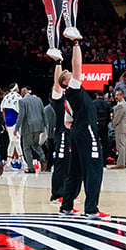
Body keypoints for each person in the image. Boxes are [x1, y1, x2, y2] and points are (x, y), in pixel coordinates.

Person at [58, 42, 109, 220]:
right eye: (70, 75)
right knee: (94, 169)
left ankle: (66, 207)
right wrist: (76, 44)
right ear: (66, 81)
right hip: (86, 130)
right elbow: (77, 64)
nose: (74, 76)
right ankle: (91, 209)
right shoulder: (73, 88)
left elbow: (67, 122)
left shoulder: (69, 98)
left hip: (77, 132)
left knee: (75, 171)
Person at [49, 63, 71, 202]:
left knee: (68, 164)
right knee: (61, 163)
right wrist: (58, 63)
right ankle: (57, 194)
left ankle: (67, 192)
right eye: (69, 77)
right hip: (62, 134)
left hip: (70, 133)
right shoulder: (58, 97)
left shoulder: (70, 96)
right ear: (63, 82)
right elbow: (56, 83)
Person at [16, 87, 47, 173]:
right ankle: (43, 157)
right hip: (39, 126)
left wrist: (16, 127)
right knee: (36, 144)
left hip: (28, 127)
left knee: (26, 147)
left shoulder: (22, 101)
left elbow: (21, 115)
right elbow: (43, 112)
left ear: (22, 94)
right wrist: (45, 125)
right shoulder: (38, 99)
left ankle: (31, 168)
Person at [2, 84, 23, 170]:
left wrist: (5, 122)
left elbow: (3, 110)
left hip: (8, 120)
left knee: (12, 141)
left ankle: (8, 162)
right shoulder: (18, 97)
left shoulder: (6, 97)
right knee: (17, 141)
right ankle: (23, 161)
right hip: (15, 121)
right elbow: (21, 111)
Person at [112, 90, 126, 169]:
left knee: (121, 145)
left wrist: (113, 124)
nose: (116, 97)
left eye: (118, 95)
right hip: (125, 128)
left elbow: (117, 117)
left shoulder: (120, 105)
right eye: (116, 95)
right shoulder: (125, 104)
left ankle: (120, 163)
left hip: (120, 128)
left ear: (122, 96)